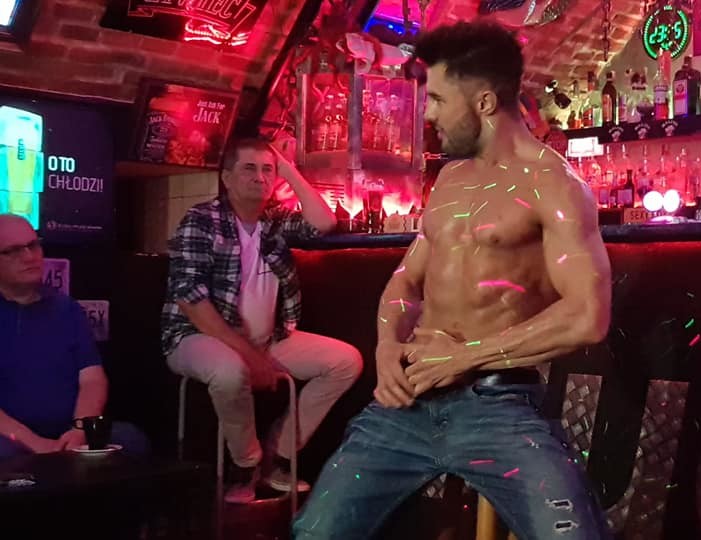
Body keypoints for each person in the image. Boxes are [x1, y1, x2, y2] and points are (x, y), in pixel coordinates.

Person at [294, 21, 613, 540]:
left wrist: (464, 357)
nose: (428, 114)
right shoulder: (449, 178)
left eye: (439, 99)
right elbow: (405, 281)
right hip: (407, 403)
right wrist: (385, 348)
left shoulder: (554, 185)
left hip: (497, 406)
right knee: (316, 532)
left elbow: (587, 316)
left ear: (484, 102)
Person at [162, 138, 363, 504]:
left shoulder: (275, 221)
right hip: (194, 337)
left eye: (267, 169)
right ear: (226, 178)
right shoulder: (201, 219)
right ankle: (245, 465)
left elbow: (324, 222)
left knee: (345, 361)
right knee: (229, 370)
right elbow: (190, 300)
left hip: (268, 339)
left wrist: (288, 169)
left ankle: (278, 455)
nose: (260, 177)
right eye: (249, 169)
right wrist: (249, 355)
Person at [0, 214, 149, 460]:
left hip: (69, 431)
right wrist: (36, 443)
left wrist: (80, 430)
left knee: (130, 438)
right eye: (13, 251)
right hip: (12, 437)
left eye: (33, 245)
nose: (29, 256)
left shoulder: (66, 309)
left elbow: (92, 379)